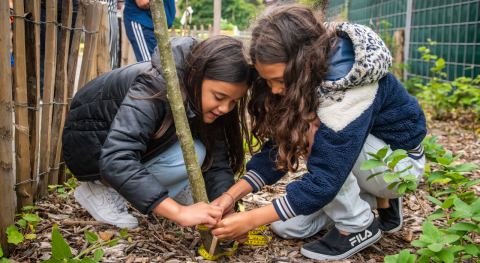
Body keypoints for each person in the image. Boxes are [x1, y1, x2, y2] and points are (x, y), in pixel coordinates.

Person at [210, 4, 427, 260]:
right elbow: (278, 148)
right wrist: (230, 195)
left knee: (316, 136)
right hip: (360, 161)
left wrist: (250, 219)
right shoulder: (304, 78)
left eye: (279, 80)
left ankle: (359, 224)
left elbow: (326, 175)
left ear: (303, 63)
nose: (276, 90)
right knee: (286, 225)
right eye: (268, 81)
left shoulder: (347, 90)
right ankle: (370, 199)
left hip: (398, 165)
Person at [62, 36, 254, 229]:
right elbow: (116, 158)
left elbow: (217, 159)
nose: (225, 109)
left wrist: (225, 205)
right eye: (219, 97)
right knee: (194, 153)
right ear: (195, 74)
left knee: (201, 151)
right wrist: (179, 213)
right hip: (92, 151)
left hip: (135, 147)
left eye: (234, 102)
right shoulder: (154, 85)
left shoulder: (204, 98)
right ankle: (99, 187)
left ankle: (172, 189)